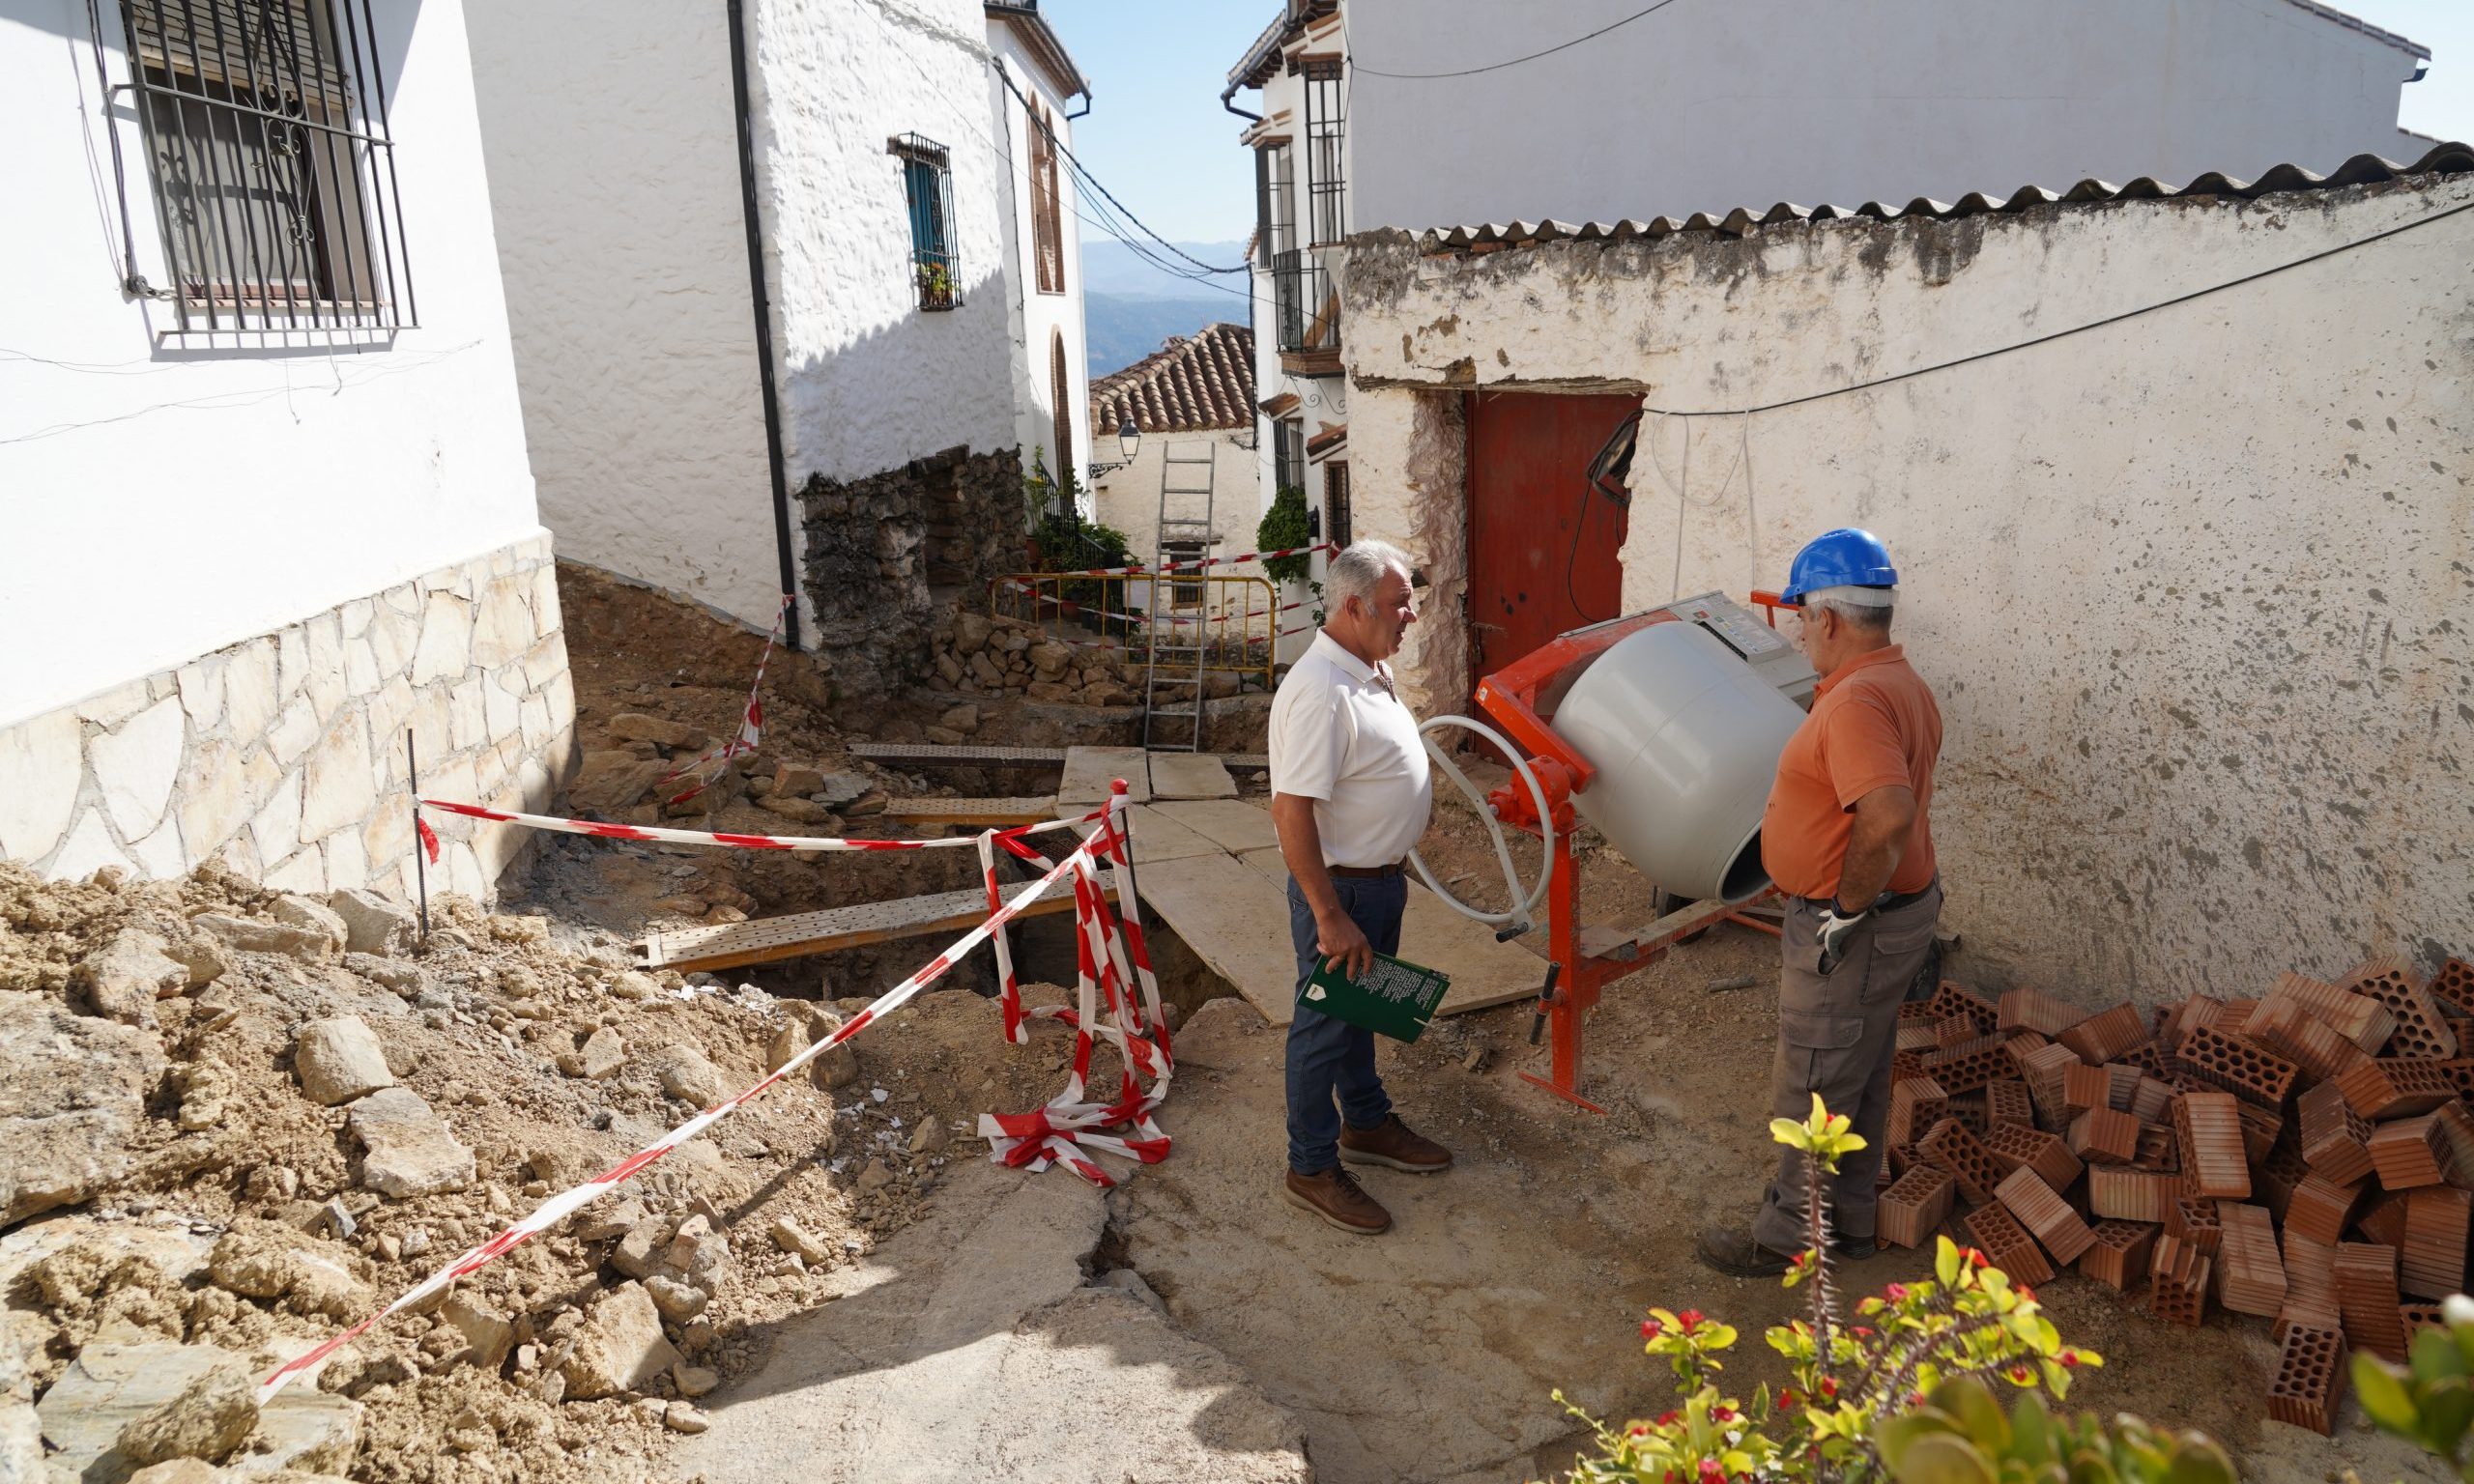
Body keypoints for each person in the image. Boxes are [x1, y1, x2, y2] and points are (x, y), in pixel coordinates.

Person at [1697, 528, 1943, 1276]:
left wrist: (1847, 911)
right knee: (1858, 1070)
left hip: (1858, 929)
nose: (1800, 633)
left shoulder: (1856, 703)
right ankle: (1854, 1222)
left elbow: (1889, 814)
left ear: (1830, 619)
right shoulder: (1900, 683)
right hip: (1899, 915)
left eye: (1802, 618)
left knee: (1812, 1081)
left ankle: (1785, 1241)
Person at [1268, 538, 1453, 1235]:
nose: (1410, 615)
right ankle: (1311, 1164)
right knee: (1321, 1030)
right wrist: (1326, 912)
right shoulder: (1321, 691)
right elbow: (1290, 810)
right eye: (1399, 603)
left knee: (1359, 1013)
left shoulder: (1364, 669)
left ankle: (1367, 1124)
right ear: (1353, 606)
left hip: (1374, 885)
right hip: (1341, 894)